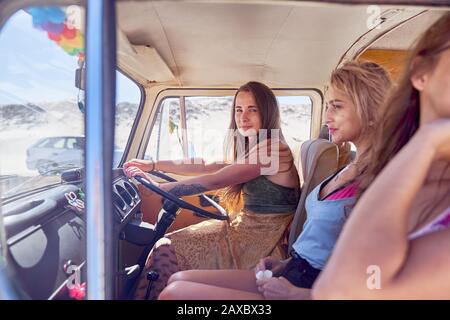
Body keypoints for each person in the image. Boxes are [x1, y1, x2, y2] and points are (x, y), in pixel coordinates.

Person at [158, 61, 392, 300]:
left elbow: (375, 283)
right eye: (238, 110)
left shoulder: (381, 182)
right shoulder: (347, 170)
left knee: (173, 293)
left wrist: (297, 294)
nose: (326, 117)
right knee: (176, 280)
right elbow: (322, 246)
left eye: (337, 107)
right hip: (293, 271)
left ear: (370, 111)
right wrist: (287, 263)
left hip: (307, 289)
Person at [312, 13, 450, 299]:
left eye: (337, 106)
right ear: (422, 72)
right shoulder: (401, 166)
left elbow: (342, 291)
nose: (328, 117)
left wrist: (428, 139)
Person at [124, 81, 300, 299]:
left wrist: (160, 189)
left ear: (268, 112)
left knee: (165, 249)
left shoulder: (274, 149)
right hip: (238, 232)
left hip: (255, 246)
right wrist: (153, 165)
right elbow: (207, 164)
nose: (243, 117)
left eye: (252, 110)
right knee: (166, 245)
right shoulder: (255, 147)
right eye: (238, 109)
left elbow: (215, 181)